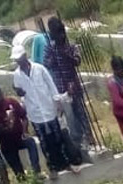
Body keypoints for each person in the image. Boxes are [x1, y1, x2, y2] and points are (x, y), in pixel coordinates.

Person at [11, 45, 77, 177]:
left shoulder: (39, 69)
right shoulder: (17, 75)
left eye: (20, 59)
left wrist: (57, 101)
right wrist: (19, 93)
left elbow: (51, 85)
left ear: (25, 57)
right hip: (35, 113)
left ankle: (66, 164)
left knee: (57, 138)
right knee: (44, 142)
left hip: (48, 108)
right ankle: (52, 167)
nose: (19, 62)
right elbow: (20, 93)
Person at [44, 16, 91, 157]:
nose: (60, 36)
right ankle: (77, 142)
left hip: (74, 84)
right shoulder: (49, 48)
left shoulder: (71, 47)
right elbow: (46, 64)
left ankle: (89, 137)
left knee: (81, 112)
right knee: (69, 117)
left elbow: (77, 61)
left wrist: (65, 55)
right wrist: (54, 53)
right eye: (56, 33)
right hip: (60, 87)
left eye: (61, 32)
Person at [0, 84, 42, 179]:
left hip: (19, 136)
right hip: (6, 143)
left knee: (31, 142)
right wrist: (3, 128)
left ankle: (36, 171)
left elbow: (23, 117)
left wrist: (25, 131)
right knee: (18, 172)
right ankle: (22, 179)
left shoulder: (11, 102)